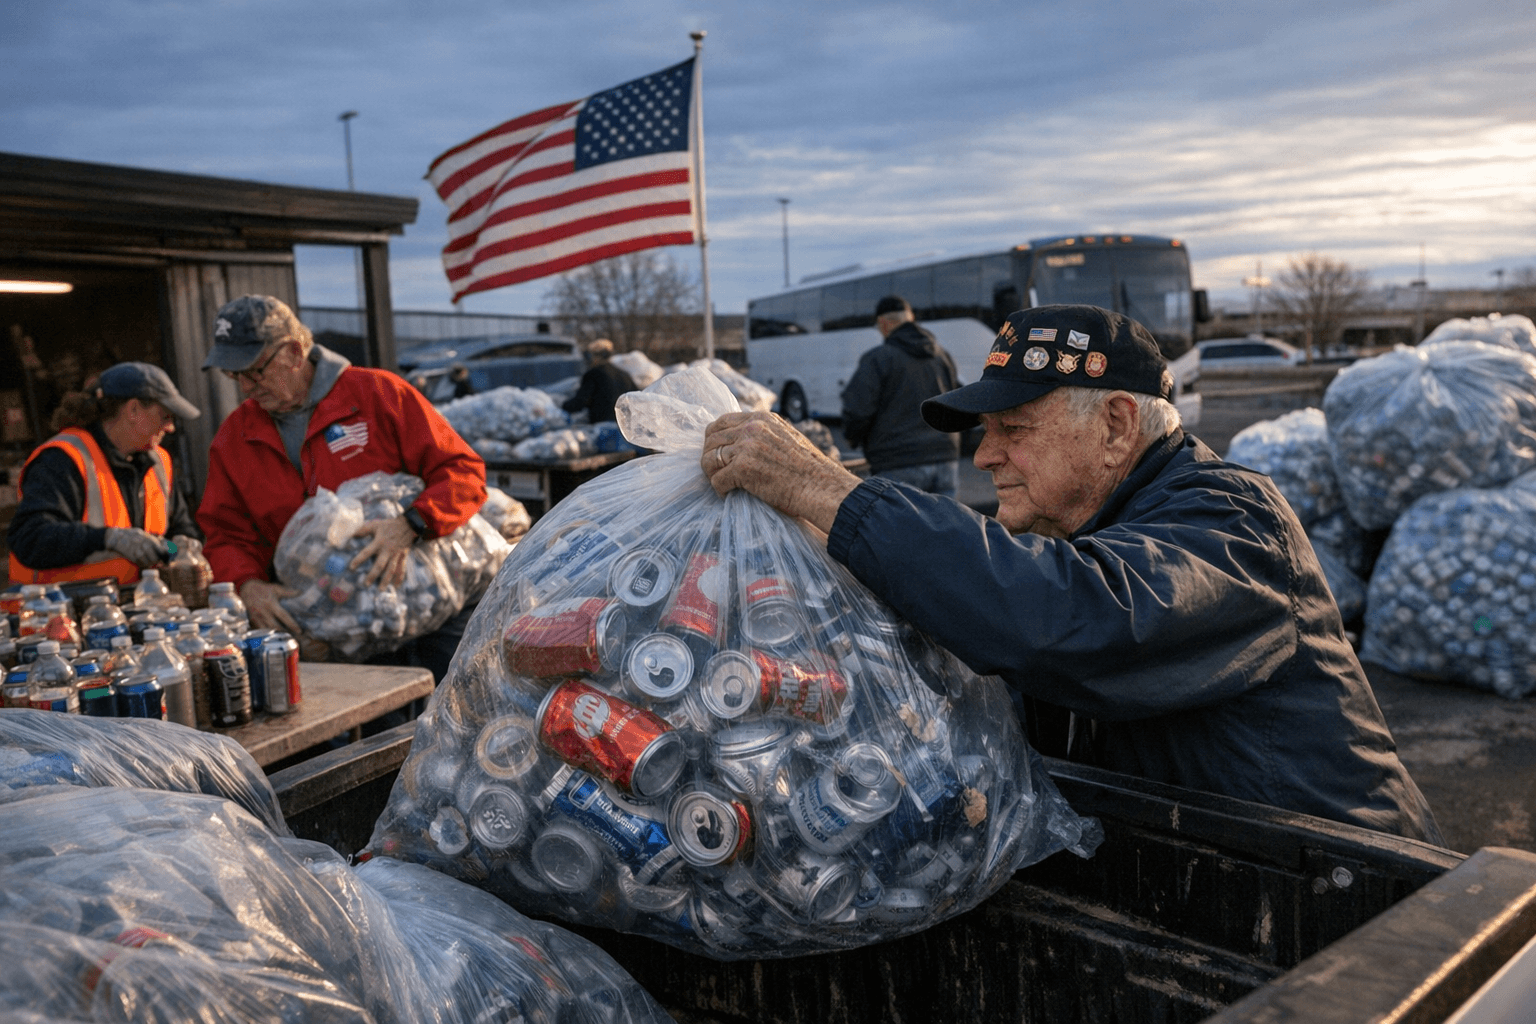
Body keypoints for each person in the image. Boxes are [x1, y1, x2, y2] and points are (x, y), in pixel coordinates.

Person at [701, 303, 1441, 843]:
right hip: (1223, 881)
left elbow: (1075, 620)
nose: (984, 457)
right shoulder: (1080, 530)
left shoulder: (1235, 522)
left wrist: (829, 492)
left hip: (1355, 903)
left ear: (1117, 426)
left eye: (1012, 430)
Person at [196, 295, 486, 683]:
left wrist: (411, 524)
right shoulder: (234, 439)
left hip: (432, 608)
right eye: (234, 376)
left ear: (294, 353)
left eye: (255, 371)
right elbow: (225, 532)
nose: (245, 387)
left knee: (454, 717)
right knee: (378, 736)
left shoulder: (377, 394)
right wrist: (248, 585)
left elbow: (462, 472)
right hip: (339, 632)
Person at [8, 362, 201, 586]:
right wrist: (107, 539)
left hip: (139, 608)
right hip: (60, 613)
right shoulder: (63, 459)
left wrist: (178, 548)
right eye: (165, 416)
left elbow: (182, 530)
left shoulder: (159, 462)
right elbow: (30, 538)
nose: (170, 428)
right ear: (133, 410)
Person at [841, 295, 962, 495]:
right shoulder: (942, 356)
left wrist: (854, 438)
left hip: (896, 463)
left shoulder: (878, 358)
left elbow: (857, 410)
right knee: (945, 525)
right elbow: (957, 404)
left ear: (883, 323)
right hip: (946, 460)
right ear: (911, 318)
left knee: (898, 526)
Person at [561, 339, 638, 423]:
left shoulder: (594, 374)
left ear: (595, 356)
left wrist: (563, 405)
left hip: (603, 426)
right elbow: (635, 398)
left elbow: (580, 402)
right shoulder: (624, 374)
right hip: (623, 426)